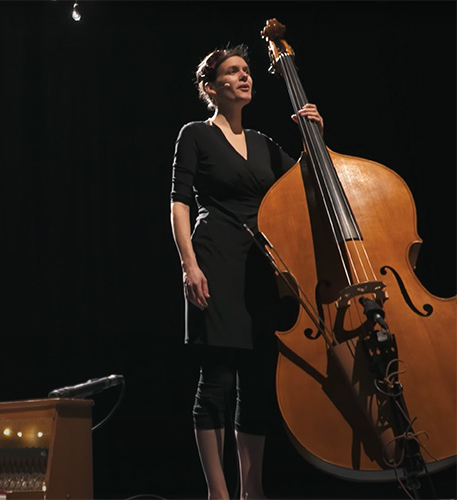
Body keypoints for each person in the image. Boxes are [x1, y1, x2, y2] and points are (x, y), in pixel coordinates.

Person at [169, 44, 323, 500]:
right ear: (211, 87)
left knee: (256, 384)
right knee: (216, 379)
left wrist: (314, 137)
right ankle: (218, 493)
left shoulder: (262, 144)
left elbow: (302, 190)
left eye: (246, 70)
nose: (243, 77)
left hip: (262, 268)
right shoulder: (195, 133)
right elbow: (178, 202)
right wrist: (188, 265)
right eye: (232, 72)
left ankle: (250, 491)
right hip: (214, 256)